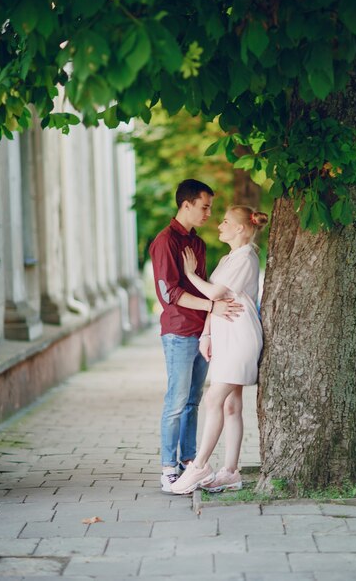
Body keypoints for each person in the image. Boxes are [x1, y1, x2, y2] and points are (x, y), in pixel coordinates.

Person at [149, 180, 244, 493]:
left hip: (200, 331)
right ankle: (167, 469)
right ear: (186, 204)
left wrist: (210, 321)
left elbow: (201, 284)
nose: (209, 213)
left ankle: (190, 463)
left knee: (193, 401)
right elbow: (170, 293)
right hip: (177, 331)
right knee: (176, 401)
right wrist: (212, 306)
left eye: (211, 208)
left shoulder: (198, 244)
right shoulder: (165, 242)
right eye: (205, 207)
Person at [171, 205, 268, 495]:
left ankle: (199, 465)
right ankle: (231, 472)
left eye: (225, 222)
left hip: (241, 336)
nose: (219, 226)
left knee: (213, 399)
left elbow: (213, 294)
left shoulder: (246, 257)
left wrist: (189, 274)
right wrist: (206, 334)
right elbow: (217, 303)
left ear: (240, 228)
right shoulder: (229, 258)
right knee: (230, 405)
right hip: (226, 336)